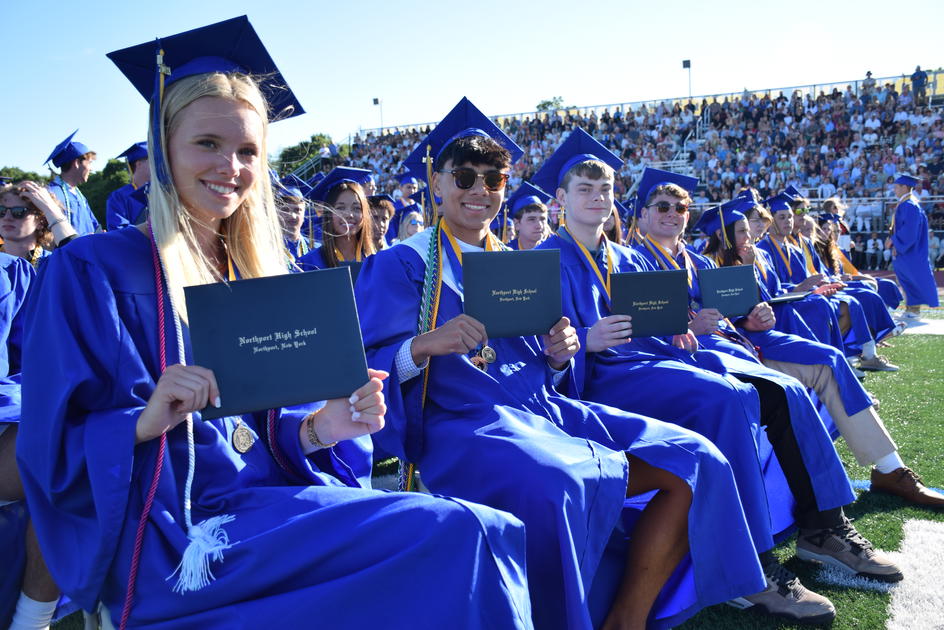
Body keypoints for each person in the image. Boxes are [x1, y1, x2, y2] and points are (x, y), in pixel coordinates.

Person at [18, 18, 533, 629]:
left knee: (487, 531)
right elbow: (47, 444)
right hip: (175, 536)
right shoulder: (92, 270)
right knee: (460, 533)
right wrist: (141, 421)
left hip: (265, 503)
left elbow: (269, 434)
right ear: (162, 146)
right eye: (206, 143)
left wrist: (323, 427)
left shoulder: (260, 273)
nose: (230, 167)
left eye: (247, 151)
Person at [357, 98, 766, 630]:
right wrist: (424, 345)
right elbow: (367, 369)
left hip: (543, 411)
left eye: (494, 178)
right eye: (464, 176)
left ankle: (627, 619)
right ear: (436, 183)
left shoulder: (519, 266)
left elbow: (547, 371)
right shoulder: (403, 263)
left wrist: (558, 356)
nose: (481, 190)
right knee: (558, 482)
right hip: (460, 424)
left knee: (696, 460)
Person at [531, 136, 854, 624]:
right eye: (584, 188)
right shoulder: (542, 262)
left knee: (760, 387)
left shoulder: (629, 258)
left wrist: (682, 330)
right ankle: (752, 572)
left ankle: (821, 526)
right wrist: (586, 340)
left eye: (606, 188)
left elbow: (661, 328)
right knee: (723, 399)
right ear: (561, 200)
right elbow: (537, 354)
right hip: (598, 379)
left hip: (652, 364)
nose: (597, 196)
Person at [700, 200, 942, 508]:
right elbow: (718, 315)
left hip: (762, 336)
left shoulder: (748, 259)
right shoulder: (706, 263)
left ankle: (890, 468)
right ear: (722, 235)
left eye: (750, 229)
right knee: (824, 351)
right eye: (741, 231)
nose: (750, 236)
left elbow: (758, 304)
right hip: (734, 348)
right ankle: (880, 473)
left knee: (831, 357)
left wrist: (758, 313)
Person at [296, 167, 377, 270]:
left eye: (356, 208)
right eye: (340, 208)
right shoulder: (309, 264)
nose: (349, 215)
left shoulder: (375, 262)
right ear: (328, 213)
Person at [890, 174, 940, 317]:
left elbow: (909, 231)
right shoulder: (907, 204)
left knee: (912, 277)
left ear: (904, 187)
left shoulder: (909, 206)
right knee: (906, 278)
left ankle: (913, 310)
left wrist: (895, 242)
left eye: (896, 187)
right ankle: (911, 308)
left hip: (910, 250)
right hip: (906, 248)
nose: (894, 190)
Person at [0, 182, 79, 266]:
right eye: (1, 211)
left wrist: (49, 207)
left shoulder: (52, 265)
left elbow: (80, 259)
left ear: (41, 221)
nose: (7, 217)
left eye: (18, 212)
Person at [43, 131, 100, 235]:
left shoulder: (79, 195)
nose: (91, 169)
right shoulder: (51, 194)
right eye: (89, 163)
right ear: (77, 163)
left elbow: (94, 226)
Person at [106, 142, 151, 230]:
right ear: (139, 164)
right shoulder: (118, 197)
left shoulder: (163, 190)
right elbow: (118, 230)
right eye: (152, 160)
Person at [505, 181, 550, 250]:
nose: (539, 225)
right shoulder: (505, 253)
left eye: (542, 219)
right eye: (531, 219)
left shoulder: (554, 252)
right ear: (517, 224)